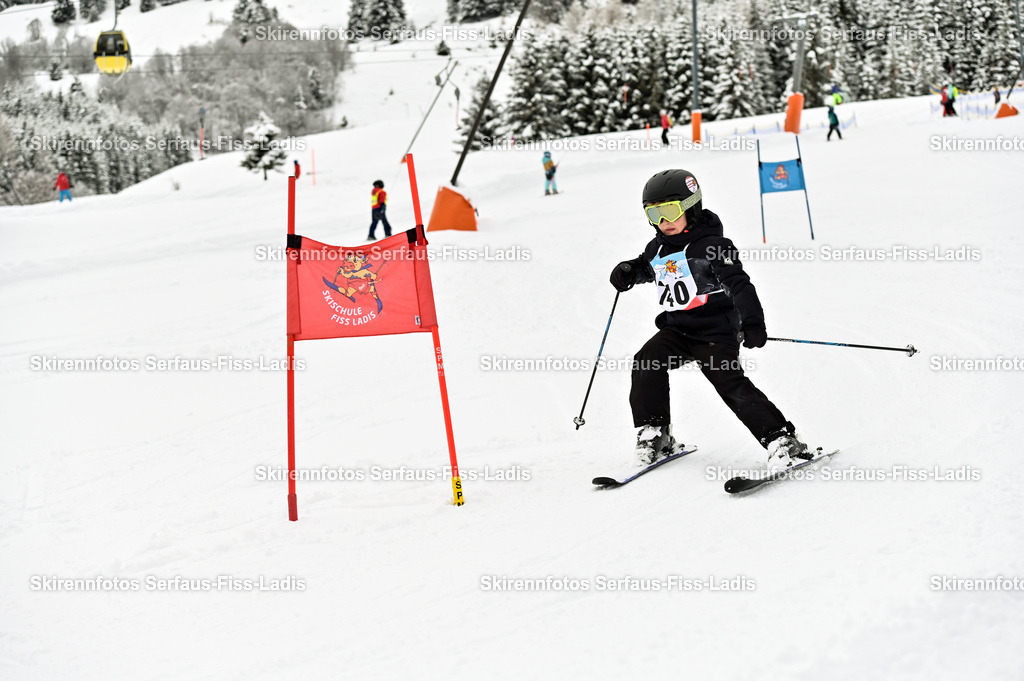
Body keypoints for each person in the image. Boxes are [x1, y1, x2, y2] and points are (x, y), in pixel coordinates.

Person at [609, 169, 812, 473]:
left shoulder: (714, 246)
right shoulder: (658, 247)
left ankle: (781, 439)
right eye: (653, 213)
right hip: (677, 330)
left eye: (670, 211)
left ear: (691, 207)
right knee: (646, 360)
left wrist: (753, 322)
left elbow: (740, 285)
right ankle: (656, 433)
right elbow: (647, 267)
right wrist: (629, 271)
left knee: (728, 382)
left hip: (716, 333)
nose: (663, 221)